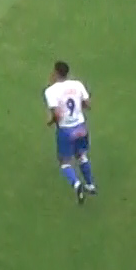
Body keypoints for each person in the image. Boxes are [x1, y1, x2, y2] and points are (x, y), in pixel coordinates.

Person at [45, 60, 96, 204]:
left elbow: (57, 115)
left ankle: (77, 184)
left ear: (55, 73)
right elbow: (87, 104)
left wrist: (50, 122)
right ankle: (90, 185)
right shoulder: (77, 84)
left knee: (64, 161)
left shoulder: (51, 91)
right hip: (80, 126)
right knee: (81, 155)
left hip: (66, 130)